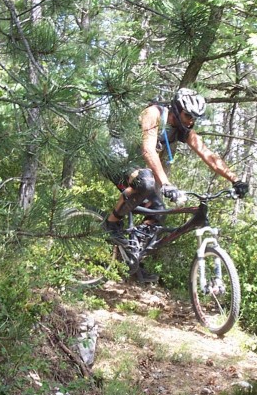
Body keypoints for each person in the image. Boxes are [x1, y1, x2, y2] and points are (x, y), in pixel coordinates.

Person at [102, 88, 249, 282]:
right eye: (188, 115)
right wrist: (165, 183)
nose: (191, 121)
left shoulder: (183, 130)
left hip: (139, 170)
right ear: (177, 108)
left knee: (159, 213)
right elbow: (148, 150)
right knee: (146, 182)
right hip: (117, 160)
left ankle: (133, 259)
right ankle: (111, 223)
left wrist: (235, 179)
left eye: (195, 117)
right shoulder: (153, 113)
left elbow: (208, 154)